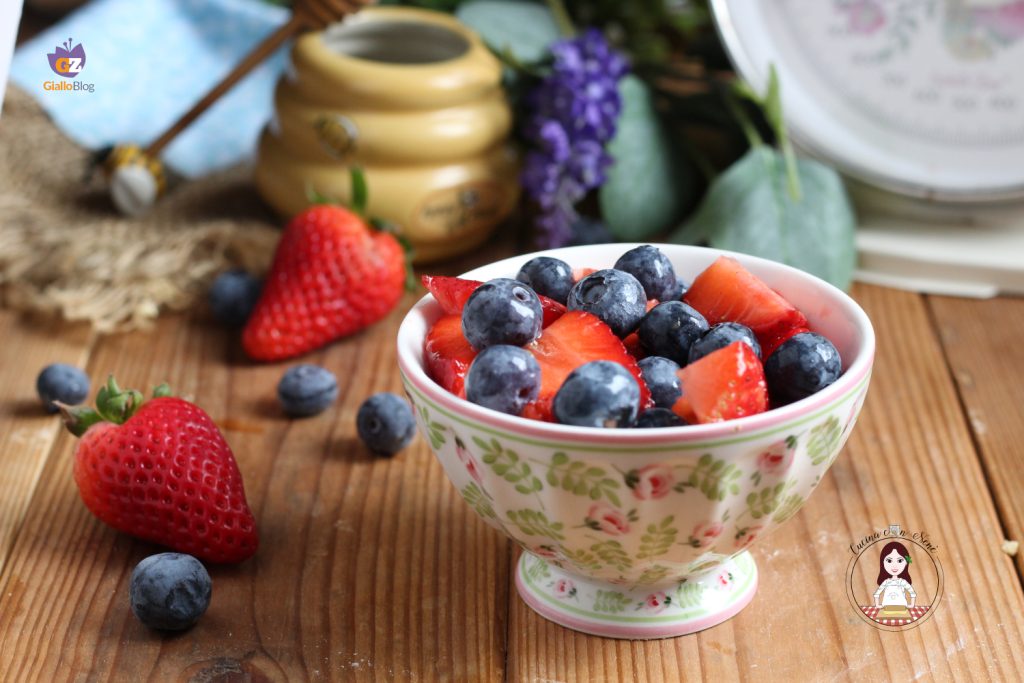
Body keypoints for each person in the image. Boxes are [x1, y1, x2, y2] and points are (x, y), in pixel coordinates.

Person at [872, 541, 916, 618]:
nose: (894, 565)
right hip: (887, 608)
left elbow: (912, 593)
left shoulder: (902, 582)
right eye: (889, 561)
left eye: (899, 561)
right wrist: (877, 605)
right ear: (883, 563)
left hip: (902, 608)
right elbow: (877, 593)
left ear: (906, 563)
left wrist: (911, 604)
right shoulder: (886, 582)